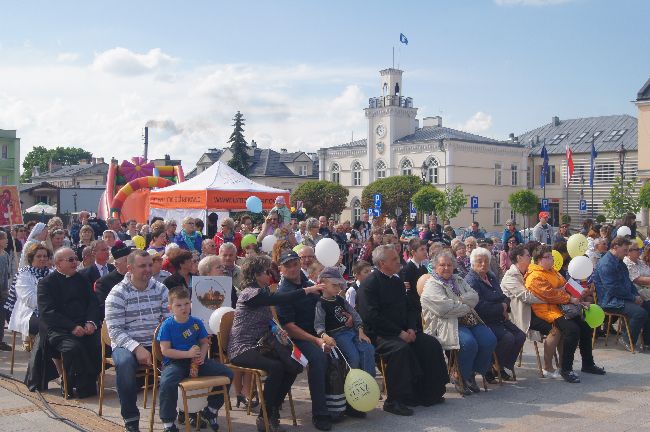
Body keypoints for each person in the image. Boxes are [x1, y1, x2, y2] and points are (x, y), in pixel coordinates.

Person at [229, 254, 323, 432]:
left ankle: (272, 409)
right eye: (266, 272)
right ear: (256, 275)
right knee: (277, 367)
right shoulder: (250, 293)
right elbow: (279, 299)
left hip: (261, 345)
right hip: (243, 348)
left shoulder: (261, 292)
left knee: (294, 365)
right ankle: (266, 416)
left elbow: (268, 318)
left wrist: (277, 329)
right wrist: (307, 290)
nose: (269, 275)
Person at [357, 245, 448, 416]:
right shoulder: (369, 284)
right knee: (400, 350)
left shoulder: (397, 281)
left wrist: (412, 328)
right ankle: (395, 400)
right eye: (394, 259)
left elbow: (410, 308)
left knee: (431, 344)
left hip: (404, 330)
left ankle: (428, 393)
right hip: (379, 334)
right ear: (382, 263)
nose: (399, 262)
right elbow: (371, 317)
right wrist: (399, 333)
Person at [105, 250, 170, 431]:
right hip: (126, 343)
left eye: (150, 265)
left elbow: (168, 321)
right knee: (124, 364)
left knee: (180, 360)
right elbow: (115, 330)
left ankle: (172, 416)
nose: (148, 269)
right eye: (143, 266)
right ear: (130, 268)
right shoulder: (117, 293)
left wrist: (163, 345)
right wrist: (137, 348)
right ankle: (131, 419)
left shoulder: (161, 289)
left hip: (157, 342)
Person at [275, 250, 337, 431]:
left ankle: (339, 405)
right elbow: (289, 327)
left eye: (295, 263)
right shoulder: (284, 292)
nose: (293, 268)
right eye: (288, 265)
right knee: (318, 359)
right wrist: (316, 340)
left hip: (317, 332)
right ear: (281, 269)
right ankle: (320, 413)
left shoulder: (307, 282)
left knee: (346, 349)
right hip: (297, 338)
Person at [156, 287, 232, 432]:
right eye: (178, 305)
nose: (183, 308)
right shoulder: (167, 325)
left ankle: (210, 410)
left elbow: (204, 342)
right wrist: (188, 354)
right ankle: (169, 423)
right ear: (170, 308)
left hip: (196, 361)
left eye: (186, 304)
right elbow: (165, 351)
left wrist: (202, 355)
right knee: (166, 383)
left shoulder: (196, 322)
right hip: (175, 363)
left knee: (227, 374)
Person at [525, 245, 605, 383]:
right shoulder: (534, 276)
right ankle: (566, 368)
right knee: (572, 330)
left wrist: (581, 295)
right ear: (538, 260)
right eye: (547, 257)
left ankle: (588, 364)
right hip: (548, 311)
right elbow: (550, 294)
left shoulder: (553, 271)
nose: (551, 259)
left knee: (585, 327)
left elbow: (566, 286)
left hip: (561, 307)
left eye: (551, 256)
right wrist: (570, 298)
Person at [420, 251, 496, 395]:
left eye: (449, 265)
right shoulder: (432, 285)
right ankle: (459, 375)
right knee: (469, 343)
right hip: (446, 323)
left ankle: (471, 373)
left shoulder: (459, 279)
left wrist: (457, 302)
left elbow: (474, 297)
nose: (447, 268)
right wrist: (465, 304)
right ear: (435, 267)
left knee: (489, 340)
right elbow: (444, 309)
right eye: (442, 265)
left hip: (468, 319)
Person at [38, 247, 101, 398]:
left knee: (99, 344)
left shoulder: (82, 279)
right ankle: (68, 383)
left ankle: (87, 384)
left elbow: (93, 304)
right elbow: (48, 312)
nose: (76, 263)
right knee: (73, 348)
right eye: (71, 260)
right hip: (60, 329)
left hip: (85, 327)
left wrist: (91, 322)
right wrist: (72, 327)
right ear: (58, 263)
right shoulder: (46, 283)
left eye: (76, 259)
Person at [500, 244, 562, 378]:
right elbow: (526, 296)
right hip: (522, 316)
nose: (531, 258)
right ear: (519, 257)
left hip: (537, 311)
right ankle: (548, 367)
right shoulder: (510, 277)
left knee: (564, 326)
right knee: (556, 330)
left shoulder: (527, 272)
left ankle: (563, 366)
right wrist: (549, 298)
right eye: (528, 255)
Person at [465, 248, 525, 382]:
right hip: (485, 320)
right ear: (472, 263)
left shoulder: (490, 276)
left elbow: (503, 295)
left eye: (486, 261)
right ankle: (490, 366)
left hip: (499, 317)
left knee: (520, 335)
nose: (483, 264)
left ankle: (499, 366)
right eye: (479, 262)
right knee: (508, 338)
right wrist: (500, 307)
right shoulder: (471, 280)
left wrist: (504, 305)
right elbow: (479, 306)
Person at [314, 267, 375, 384]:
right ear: (323, 285)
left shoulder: (341, 300)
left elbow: (355, 315)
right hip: (338, 335)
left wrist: (360, 331)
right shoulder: (321, 304)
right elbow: (319, 325)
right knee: (353, 357)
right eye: (334, 285)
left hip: (352, 331)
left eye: (339, 285)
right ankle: (353, 385)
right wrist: (325, 336)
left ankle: (368, 383)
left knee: (368, 349)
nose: (338, 288)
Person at [593, 237, 650, 351]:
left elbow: (628, 283)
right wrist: (633, 297)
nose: (626, 253)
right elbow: (613, 289)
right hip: (611, 301)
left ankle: (647, 342)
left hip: (622, 297)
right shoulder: (606, 264)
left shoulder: (619, 262)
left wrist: (637, 295)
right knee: (640, 313)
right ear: (615, 247)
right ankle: (626, 339)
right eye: (625, 250)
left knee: (648, 306)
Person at [7, 244, 51, 347]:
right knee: (49, 327)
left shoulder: (52, 273)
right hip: (29, 313)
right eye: (39, 256)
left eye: (45, 256)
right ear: (31, 258)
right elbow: (31, 301)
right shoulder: (24, 275)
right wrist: (51, 300)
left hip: (51, 312)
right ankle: (40, 357)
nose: (42, 259)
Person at [95, 241, 131, 322]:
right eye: (126, 260)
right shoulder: (103, 282)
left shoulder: (136, 276)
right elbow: (104, 308)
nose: (131, 263)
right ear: (117, 264)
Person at [400, 238, 429, 331]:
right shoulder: (407, 270)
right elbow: (408, 293)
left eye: (426, 249)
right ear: (413, 252)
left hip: (423, 306)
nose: (425, 252)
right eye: (422, 249)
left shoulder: (423, 268)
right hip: (415, 310)